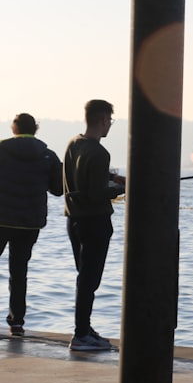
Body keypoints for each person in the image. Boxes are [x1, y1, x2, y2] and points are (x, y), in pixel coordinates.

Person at [63, 99, 126, 351]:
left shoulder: (73, 143)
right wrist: (121, 188)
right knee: (90, 281)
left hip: (73, 220)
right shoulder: (100, 152)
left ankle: (84, 328)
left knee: (84, 278)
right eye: (109, 120)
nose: (110, 125)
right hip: (95, 223)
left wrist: (111, 177)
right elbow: (95, 193)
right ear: (102, 120)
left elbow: (81, 175)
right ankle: (80, 335)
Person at [0, 113, 64, 336]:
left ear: (14, 128)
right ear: (35, 129)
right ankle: (17, 322)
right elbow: (58, 189)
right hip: (29, 224)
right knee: (19, 273)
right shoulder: (47, 155)